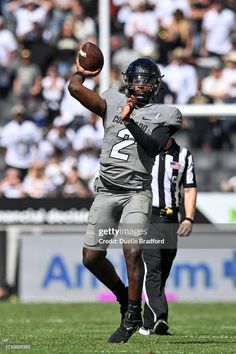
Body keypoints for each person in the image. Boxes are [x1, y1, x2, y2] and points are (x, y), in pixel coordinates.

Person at [68, 55, 182, 343]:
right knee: (91, 258)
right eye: (137, 80)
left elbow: (154, 147)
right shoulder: (112, 100)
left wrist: (130, 121)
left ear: (155, 85)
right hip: (107, 189)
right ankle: (122, 297)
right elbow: (75, 89)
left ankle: (133, 315)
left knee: (132, 250)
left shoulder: (167, 113)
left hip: (136, 192)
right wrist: (80, 73)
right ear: (128, 82)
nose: (141, 86)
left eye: (147, 81)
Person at [138, 136, 197, 336]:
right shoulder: (145, 150)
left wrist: (188, 218)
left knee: (163, 269)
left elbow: (189, 189)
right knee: (153, 267)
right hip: (149, 216)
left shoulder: (184, 155)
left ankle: (147, 325)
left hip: (171, 218)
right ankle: (161, 316)